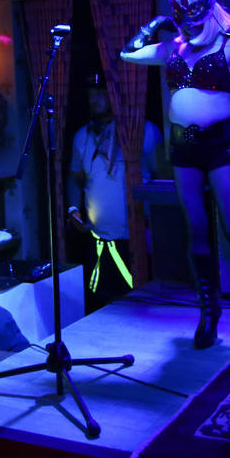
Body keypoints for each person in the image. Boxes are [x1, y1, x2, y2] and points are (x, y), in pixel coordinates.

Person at [120, 0, 230, 349]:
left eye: (194, 17)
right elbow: (127, 53)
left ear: (210, 12)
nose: (188, 26)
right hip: (183, 151)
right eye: (182, 18)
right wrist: (152, 24)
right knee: (196, 229)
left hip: (220, 148)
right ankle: (209, 311)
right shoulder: (171, 49)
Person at [67, 74, 162, 311]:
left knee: (140, 305)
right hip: (99, 240)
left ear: (116, 95)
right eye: (90, 94)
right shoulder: (82, 137)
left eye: (101, 92)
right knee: (103, 305)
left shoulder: (144, 131)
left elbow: (163, 177)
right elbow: (75, 178)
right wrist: (72, 209)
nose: (94, 99)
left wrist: (158, 220)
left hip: (136, 240)